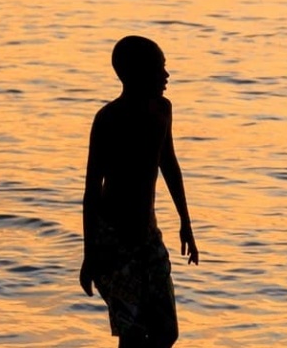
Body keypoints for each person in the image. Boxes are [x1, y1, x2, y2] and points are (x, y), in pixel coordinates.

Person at [80, 36, 201, 348]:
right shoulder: (108, 119)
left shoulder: (162, 110)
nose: (166, 76)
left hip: (148, 237)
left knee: (166, 331)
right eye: (158, 69)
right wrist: (89, 255)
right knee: (132, 334)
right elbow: (92, 190)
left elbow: (169, 164)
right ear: (134, 74)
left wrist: (185, 222)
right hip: (113, 241)